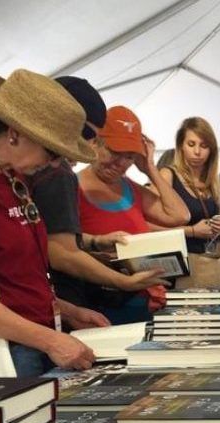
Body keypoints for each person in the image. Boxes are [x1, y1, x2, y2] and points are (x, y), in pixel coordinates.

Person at [0, 68, 100, 376]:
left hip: (33, 341)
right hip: (6, 350)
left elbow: (13, 275)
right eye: (52, 151)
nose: (56, 163)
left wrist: (67, 310)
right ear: (15, 133)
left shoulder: (12, 176)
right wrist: (50, 340)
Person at [29, 78, 164, 325]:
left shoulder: (50, 172)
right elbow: (62, 252)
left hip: (57, 300)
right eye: (113, 152)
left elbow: (53, 237)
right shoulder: (57, 174)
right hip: (61, 299)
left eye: (129, 157)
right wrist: (123, 281)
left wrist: (95, 241)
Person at [78, 106, 190, 324]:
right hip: (99, 301)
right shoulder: (73, 186)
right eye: (114, 152)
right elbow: (62, 246)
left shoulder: (129, 187)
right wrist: (97, 243)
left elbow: (179, 215)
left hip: (142, 298)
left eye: (129, 156)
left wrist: (150, 168)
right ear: (94, 143)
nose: (120, 163)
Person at [158, 117, 220, 254]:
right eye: (191, 144)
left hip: (205, 259)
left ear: (211, 150)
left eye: (204, 146)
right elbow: (150, 227)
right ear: (181, 146)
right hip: (176, 259)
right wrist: (191, 231)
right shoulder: (168, 175)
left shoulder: (212, 182)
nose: (197, 152)